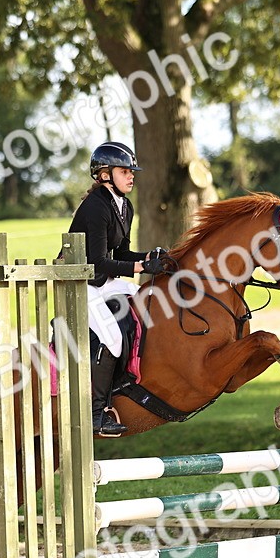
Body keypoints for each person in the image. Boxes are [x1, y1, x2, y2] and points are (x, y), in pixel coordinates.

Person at [68, 141, 169, 436]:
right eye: (125, 171)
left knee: (143, 305)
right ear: (104, 174)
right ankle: (96, 414)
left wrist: (149, 257)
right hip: (80, 284)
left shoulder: (124, 205)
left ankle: (124, 381)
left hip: (104, 281)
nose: (131, 176)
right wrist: (141, 268)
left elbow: (122, 254)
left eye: (131, 171)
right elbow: (99, 261)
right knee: (111, 339)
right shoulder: (96, 206)